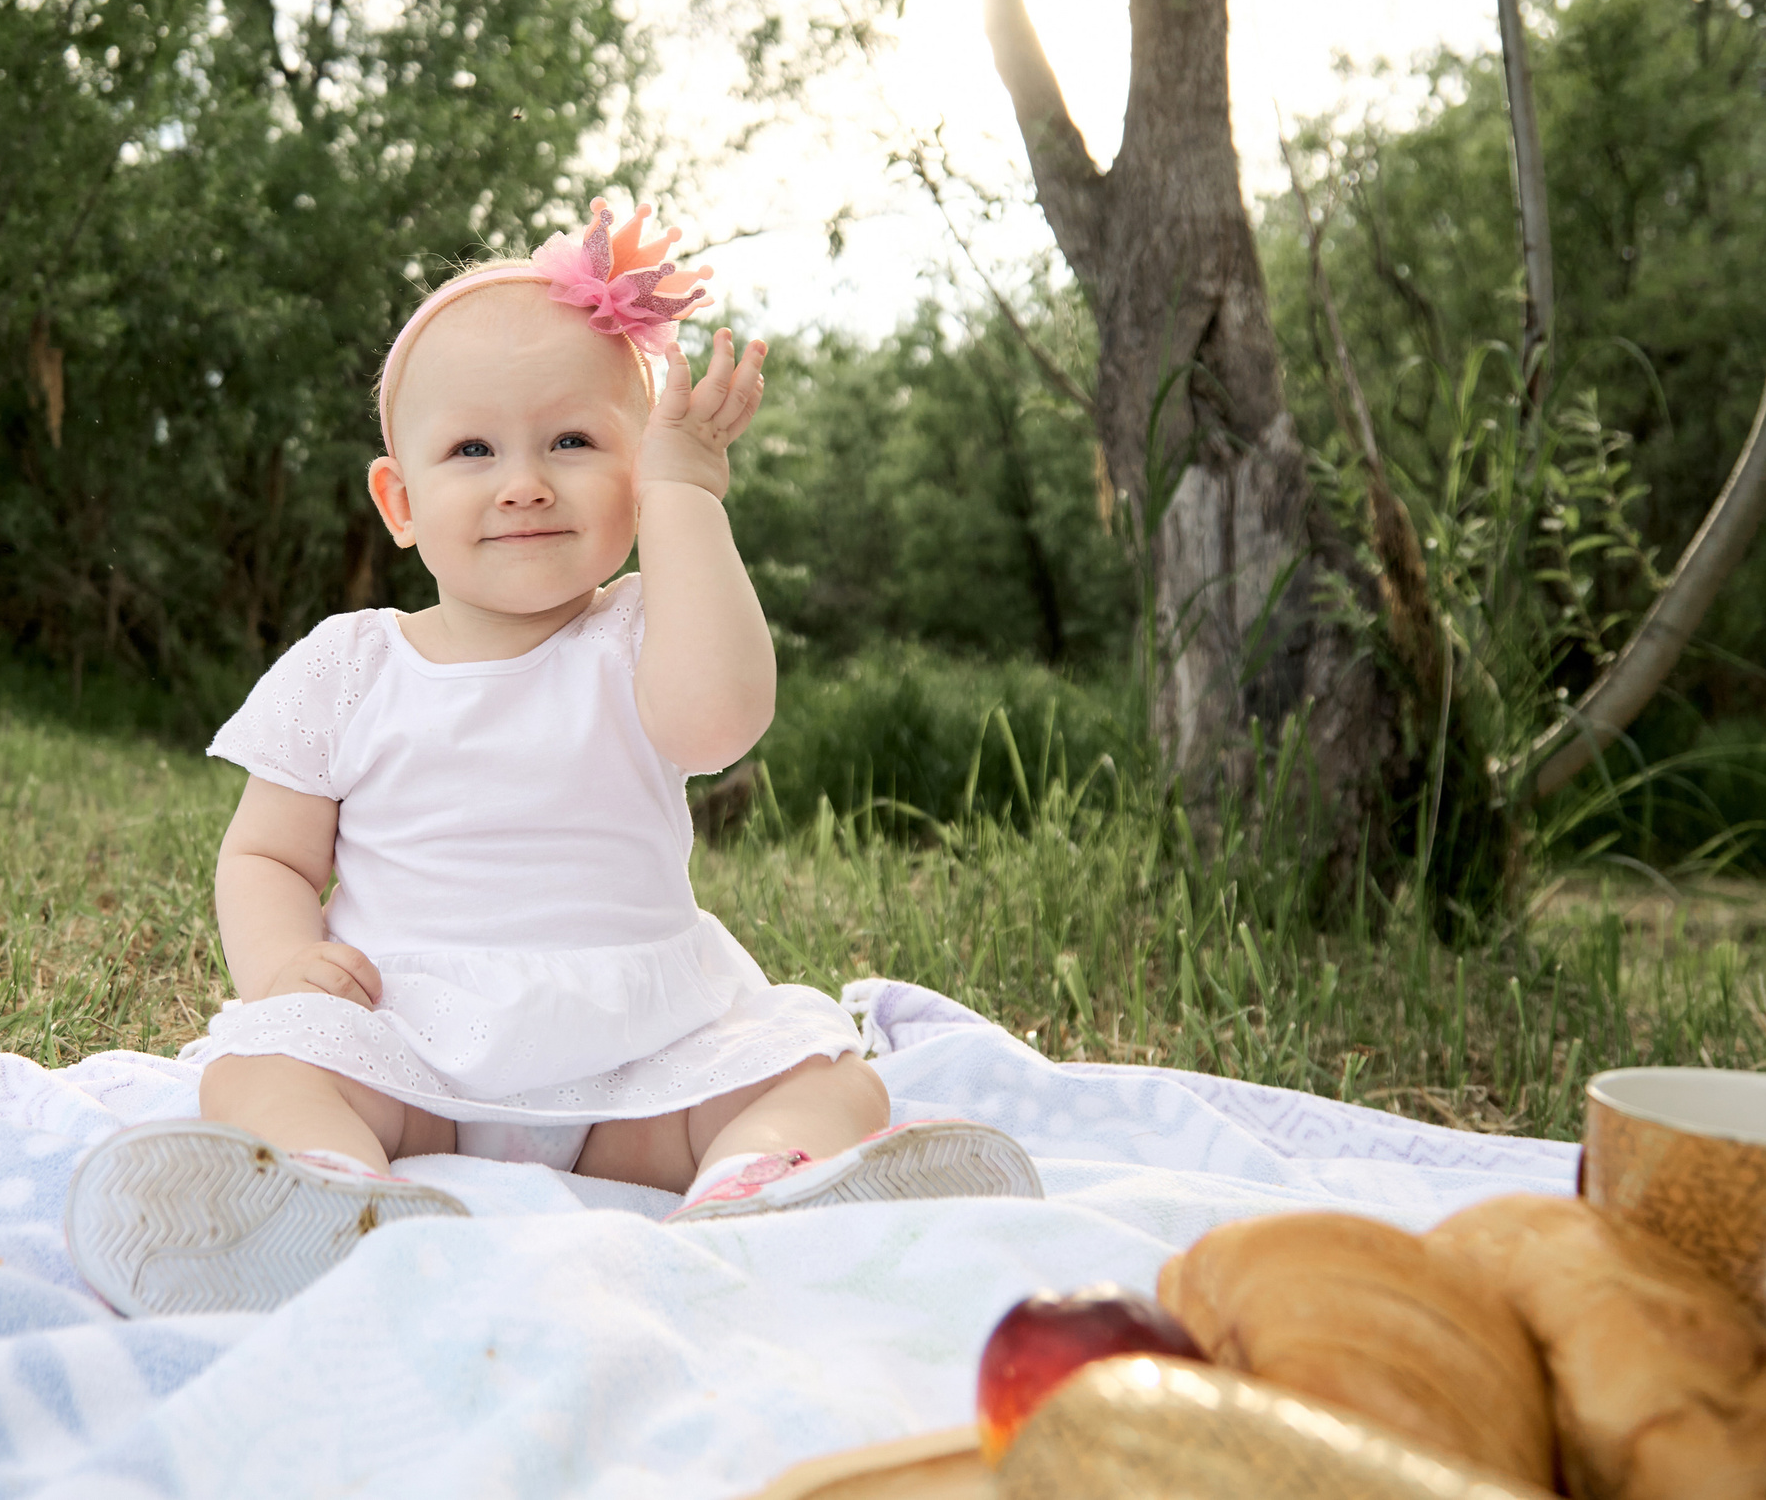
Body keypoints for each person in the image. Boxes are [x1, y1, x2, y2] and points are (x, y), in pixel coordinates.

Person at [63, 199, 1037, 1316]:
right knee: (257, 1070)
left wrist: (687, 494)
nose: (523, 480)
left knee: (824, 1079)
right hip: (406, 1053)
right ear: (400, 501)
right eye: (472, 450)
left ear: (633, 477)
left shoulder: (640, 635)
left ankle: (760, 1191)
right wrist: (284, 966)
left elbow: (719, 724)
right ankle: (328, 1197)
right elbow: (269, 858)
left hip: (639, 1061)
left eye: (573, 442)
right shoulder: (348, 666)